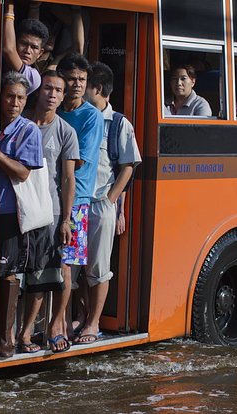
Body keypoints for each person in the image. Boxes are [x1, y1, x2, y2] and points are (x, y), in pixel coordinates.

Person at [73, 61, 141, 345]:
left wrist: (113, 201)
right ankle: (77, 316)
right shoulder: (77, 115)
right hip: (76, 203)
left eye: (84, 84)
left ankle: (93, 322)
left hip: (101, 203)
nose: (78, 88)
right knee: (73, 264)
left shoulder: (119, 123)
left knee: (99, 266)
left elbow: (128, 165)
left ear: (97, 89)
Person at [17, 70, 80, 353]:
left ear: (63, 97)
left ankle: (28, 333)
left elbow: (68, 179)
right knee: (15, 273)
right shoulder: (20, 123)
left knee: (44, 275)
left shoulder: (66, 132)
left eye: (58, 90)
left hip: (50, 212)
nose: (52, 94)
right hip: (17, 207)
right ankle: (9, 332)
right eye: (47, 89)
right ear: (37, 91)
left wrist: (66, 219)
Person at [0, 71, 45, 358]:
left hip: (10, 212)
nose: (15, 103)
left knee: (7, 274)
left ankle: (4, 338)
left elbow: (23, 172)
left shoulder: (28, 130)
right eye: (10, 96)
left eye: (21, 98)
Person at [56, 53, 104, 338]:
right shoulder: (53, 108)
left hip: (78, 199)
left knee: (70, 264)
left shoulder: (91, 116)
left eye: (82, 80)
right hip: (51, 194)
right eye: (72, 78)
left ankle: (70, 320)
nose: (76, 84)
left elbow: (79, 161)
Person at [3, 0, 49, 95]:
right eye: (23, 44)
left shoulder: (33, 77)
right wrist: (34, 7)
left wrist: (9, 7)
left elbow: (9, 50)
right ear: (15, 42)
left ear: (40, 53)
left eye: (34, 48)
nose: (28, 51)